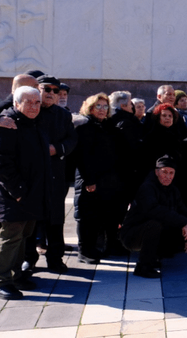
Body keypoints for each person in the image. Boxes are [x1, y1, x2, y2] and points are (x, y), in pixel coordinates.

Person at [0, 86, 50, 300]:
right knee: (10, 237)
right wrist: (19, 191)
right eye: (28, 102)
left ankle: (16, 275)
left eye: (37, 102)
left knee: (23, 236)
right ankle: (1, 282)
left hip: (30, 194)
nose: (33, 106)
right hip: (13, 195)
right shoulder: (7, 124)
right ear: (16, 103)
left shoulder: (34, 123)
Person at [25, 75, 77, 273]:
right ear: (37, 89)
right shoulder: (28, 110)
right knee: (30, 219)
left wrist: (58, 148)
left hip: (55, 174)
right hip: (32, 175)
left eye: (56, 91)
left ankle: (55, 258)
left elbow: (72, 140)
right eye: (47, 89)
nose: (51, 94)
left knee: (55, 219)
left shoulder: (63, 115)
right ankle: (28, 259)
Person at [120, 155, 187, 279]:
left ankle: (155, 256)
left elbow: (184, 213)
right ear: (156, 172)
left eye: (171, 173)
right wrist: (183, 223)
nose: (168, 176)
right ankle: (143, 267)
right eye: (164, 172)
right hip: (132, 235)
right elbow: (154, 211)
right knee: (155, 225)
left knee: (176, 231)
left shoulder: (173, 190)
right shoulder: (147, 187)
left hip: (151, 230)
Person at [73, 93, 122, 264]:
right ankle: (83, 251)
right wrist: (90, 180)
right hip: (89, 180)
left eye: (105, 106)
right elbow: (83, 156)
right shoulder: (85, 125)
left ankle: (93, 248)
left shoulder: (105, 125)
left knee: (97, 216)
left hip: (105, 180)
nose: (102, 110)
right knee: (86, 217)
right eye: (98, 106)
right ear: (90, 107)